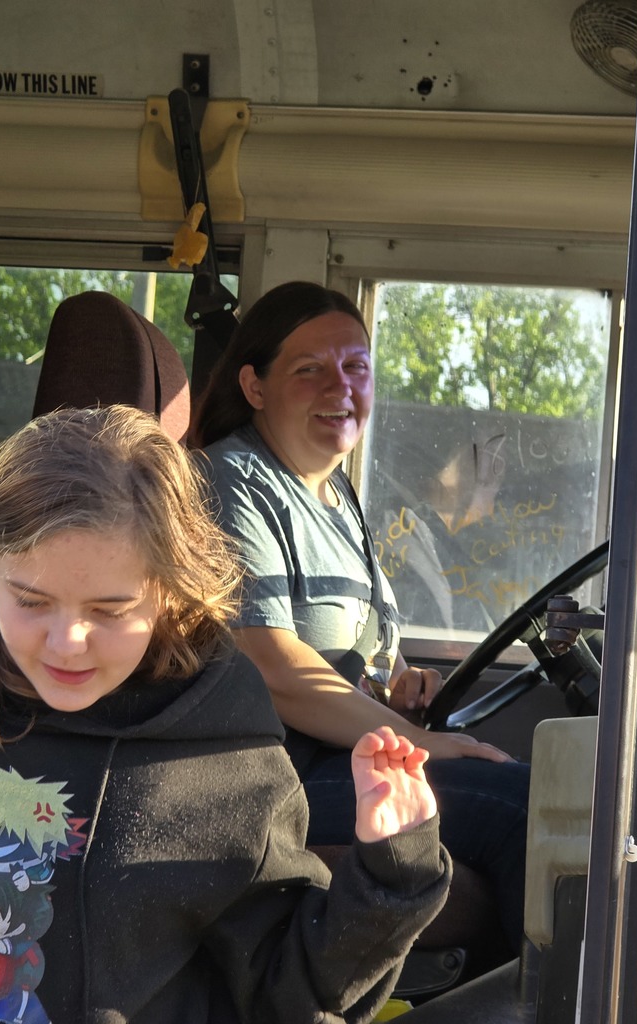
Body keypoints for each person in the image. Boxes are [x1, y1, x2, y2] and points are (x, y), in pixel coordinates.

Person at [0, 404, 451, 1024]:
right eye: (30, 600)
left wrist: (393, 865)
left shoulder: (226, 757)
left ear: (172, 593)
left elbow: (291, 992)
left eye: (109, 611)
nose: (65, 643)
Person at [192, 281, 530, 955]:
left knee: (539, 794)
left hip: (343, 756)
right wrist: (418, 743)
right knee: (522, 811)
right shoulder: (233, 481)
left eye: (356, 368)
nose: (339, 388)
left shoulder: (336, 494)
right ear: (255, 386)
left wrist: (400, 682)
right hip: (272, 775)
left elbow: (363, 647)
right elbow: (271, 665)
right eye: (310, 370)